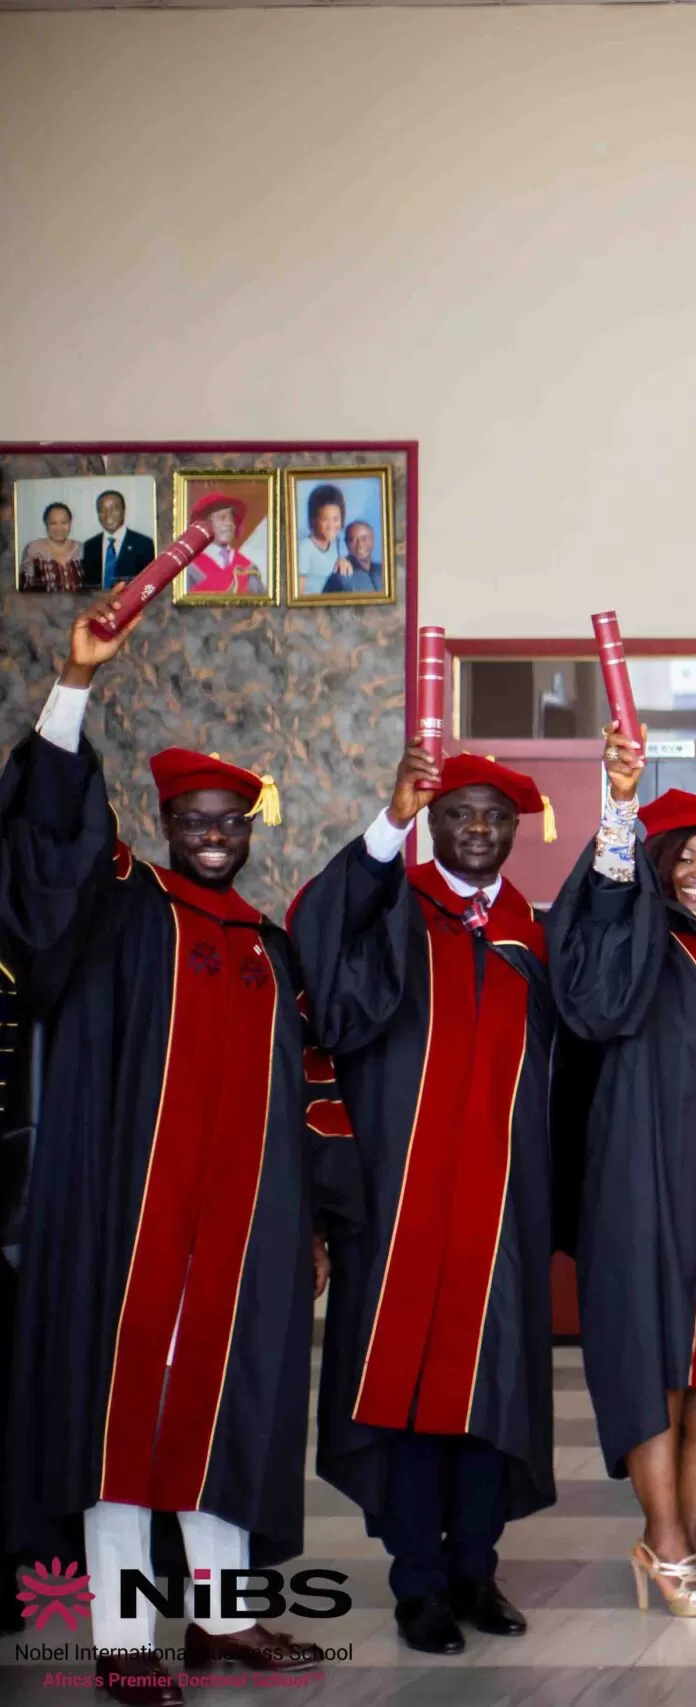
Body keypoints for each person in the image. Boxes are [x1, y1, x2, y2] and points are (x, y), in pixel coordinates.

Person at [0, 593, 342, 1703]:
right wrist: (75, 684)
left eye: (229, 821)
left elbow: (305, 1097)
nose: (212, 835)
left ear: (249, 830)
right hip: (128, 1226)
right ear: (166, 825)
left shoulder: (271, 951)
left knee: (229, 1415)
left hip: (242, 1241)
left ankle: (222, 1621)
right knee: (120, 1422)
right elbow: (52, 836)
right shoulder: (121, 912)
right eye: (193, 820)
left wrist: (315, 1226)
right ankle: (121, 1636)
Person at [291, 748, 559, 1655]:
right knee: (405, 1387)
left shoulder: (531, 933)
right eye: (458, 813)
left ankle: (475, 1567)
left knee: (494, 1384)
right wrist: (388, 824)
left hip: (502, 1208)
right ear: (432, 823)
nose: (477, 828)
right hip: (399, 1200)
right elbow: (322, 948)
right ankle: (418, 1582)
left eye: (494, 815)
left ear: (515, 829)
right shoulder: (390, 910)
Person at [547, 727, 696, 1619]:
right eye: (684, 857)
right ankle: (663, 1535)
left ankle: (687, 1527)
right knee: (658, 1357)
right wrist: (619, 806)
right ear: (654, 864)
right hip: (648, 1183)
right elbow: (602, 918)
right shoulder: (632, 938)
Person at [182, 494, 262, 599]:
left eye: (231, 518)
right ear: (205, 525)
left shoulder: (249, 568)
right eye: (222, 517)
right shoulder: (189, 568)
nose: (229, 523)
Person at [80, 488, 154, 588]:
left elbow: (148, 584)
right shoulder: (90, 546)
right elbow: (88, 585)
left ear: (123, 511)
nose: (108, 514)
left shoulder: (144, 544)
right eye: (102, 510)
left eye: (114, 509)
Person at [20, 501, 85, 591]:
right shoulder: (33, 549)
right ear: (46, 524)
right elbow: (25, 589)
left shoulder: (81, 549)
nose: (59, 528)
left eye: (64, 522)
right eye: (53, 523)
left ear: (70, 523)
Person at [297, 483, 349, 596]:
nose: (331, 525)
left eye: (336, 519)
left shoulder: (337, 543)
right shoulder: (305, 549)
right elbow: (298, 593)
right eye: (325, 519)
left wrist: (343, 560)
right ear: (313, 520)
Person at [321, 518, 383, 595]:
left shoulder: (383, 570)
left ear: (373, 539)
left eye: (364, 539)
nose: (360, 545)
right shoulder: (340, 576)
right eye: (352, 540)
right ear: (346, 543)